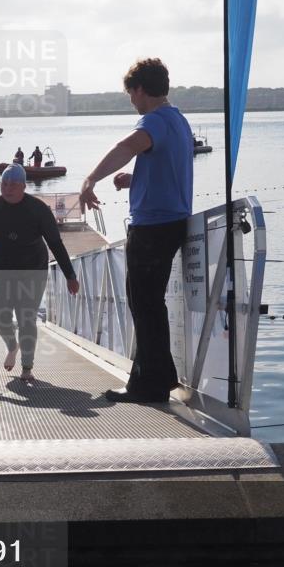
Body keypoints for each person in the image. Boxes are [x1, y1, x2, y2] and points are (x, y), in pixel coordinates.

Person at [79, 57, 193, 403]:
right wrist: (135, 179)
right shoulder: (178, 121)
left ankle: (152, 384)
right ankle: (150, 378)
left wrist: (90, 179)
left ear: (141, 90)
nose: (131, 100)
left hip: (154, 226)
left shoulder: (155, 121)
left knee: (144, 304)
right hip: (170, 220)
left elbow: (127, 146)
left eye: (131, 93)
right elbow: (166, 168)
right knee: (148, 303)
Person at [0, 164, 80, 382]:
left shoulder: (38, 209)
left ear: (24, 186)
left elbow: (55, 243)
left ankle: (27, 368)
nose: (7, 189)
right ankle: (12, 346)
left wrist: (70, 276)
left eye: (13, 185)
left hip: (33, 269)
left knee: (26, 318)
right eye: (4, 184)